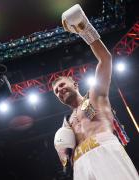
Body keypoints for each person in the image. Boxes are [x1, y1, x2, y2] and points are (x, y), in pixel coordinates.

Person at [53, 4, 139, 180]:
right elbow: (64, 159)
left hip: (105, 151)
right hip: (80, 165)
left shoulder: (95, 95)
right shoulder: (66, 124)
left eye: (61, 85)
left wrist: (83, 28)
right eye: (56, 91)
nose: (60, 90)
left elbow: (105, 59)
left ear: (74, 83)